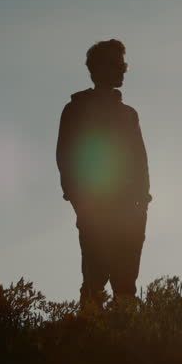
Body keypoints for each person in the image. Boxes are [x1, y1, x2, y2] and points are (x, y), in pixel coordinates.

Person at [56, 39, 151, 310]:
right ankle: (90, 332)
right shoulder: (76, 109)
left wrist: (142, 201)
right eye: (116, 64)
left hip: (129, 211)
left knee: (125, 284)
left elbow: (140, 161)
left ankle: (121, 332)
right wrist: (79, 200)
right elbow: (65, 156)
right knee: (95, 280)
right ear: (98, 68)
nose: (122, 69)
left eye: (123, 64)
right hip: (95, 208)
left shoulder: (128, 115)